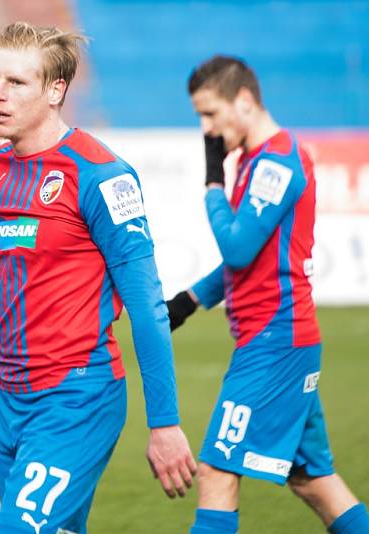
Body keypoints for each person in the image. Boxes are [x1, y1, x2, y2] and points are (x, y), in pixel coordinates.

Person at [0, 22, 196, 533]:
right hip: (8, 404)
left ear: (56, 90)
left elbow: (146, 307)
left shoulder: (103, 176)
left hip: (77, 399)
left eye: (16, 83)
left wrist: (164, 421)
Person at [165, 55, 369, 534]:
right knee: (313, 479)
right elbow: (250, 261)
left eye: (210, 114)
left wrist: (213, 184)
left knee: (217, 469)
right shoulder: (259, 160)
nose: (206, 129)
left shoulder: (277, 162)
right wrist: (189, 301)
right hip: (282, 340)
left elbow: (237, 247)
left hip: (274, 343)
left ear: (244, 101)